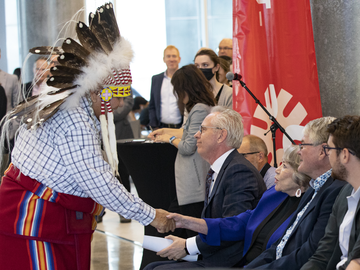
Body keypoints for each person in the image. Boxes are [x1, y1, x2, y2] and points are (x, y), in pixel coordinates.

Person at [0, 4, 174, 270]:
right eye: (114, 96)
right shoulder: (74, 118)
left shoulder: (72, 106)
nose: (116, 105)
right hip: (35, 222)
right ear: (96, 89)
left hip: (46, 219)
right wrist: (151, 216)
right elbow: (98, 181)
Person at [145, 107, 267, 269]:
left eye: (202, 130)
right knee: (153, 266)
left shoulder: (238, 171)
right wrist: (187, 237)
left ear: (221, 136)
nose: (196, 134)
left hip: (231, 261)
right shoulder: (224, 168)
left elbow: (234, 228)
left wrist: (188, 246)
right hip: (214, 254)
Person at [154, 145, 311, 269]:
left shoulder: (309, 205)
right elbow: (239, 223)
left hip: (258, 265)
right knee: (152, 267)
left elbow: (285, 254)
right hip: (244, 262)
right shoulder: (275, 194)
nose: (277, 168)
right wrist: (186, 222)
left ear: (300, 173)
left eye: (284, 166)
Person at [246, 117, 347, 269]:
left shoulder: (335, 191)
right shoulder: (315, 186)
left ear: (322, 151)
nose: (298, 152)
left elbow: (309, 253)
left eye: (302, 145)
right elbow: (281, 244)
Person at [148, 64, 216, 234]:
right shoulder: (199, 107)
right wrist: (165, 131)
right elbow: (186, 131)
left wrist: (169, 138)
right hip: (190, 181)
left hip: (193, 182)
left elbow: (187, 146)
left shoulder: (199, 109)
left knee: (189, 228)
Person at [301, 115, 360, 270]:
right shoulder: (344, 193)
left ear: (345, 155)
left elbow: (356, 262)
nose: (327, 154)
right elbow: (323, 254)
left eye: (329, 149)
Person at [149, 45, 182, 129]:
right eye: (168, 56)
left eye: (174, 56)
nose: (171, 59)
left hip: (181, 128)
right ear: (164, 59)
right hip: (161, 127)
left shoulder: (186, 79)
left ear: (179, 59)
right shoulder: (156, 79)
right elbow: (152, 105)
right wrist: (154, 126)